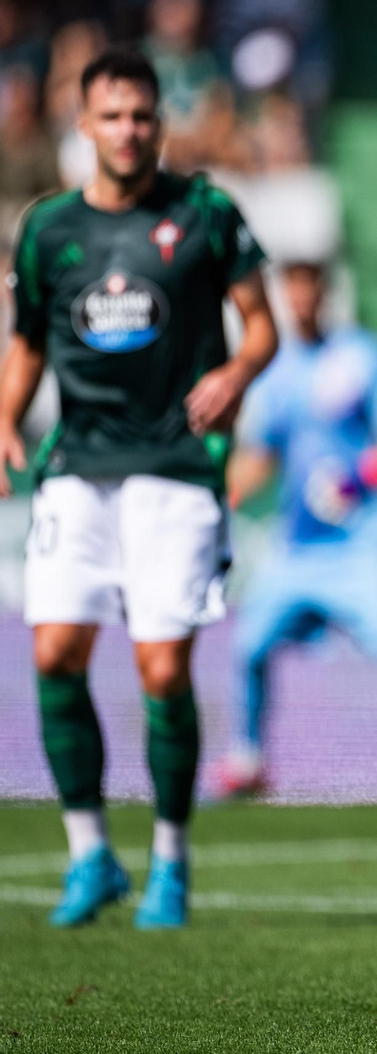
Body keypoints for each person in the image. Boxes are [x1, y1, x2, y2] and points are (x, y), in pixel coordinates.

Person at [0, 49, 277, 928]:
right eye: (112, 116)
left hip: (176, 470)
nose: (129, 131)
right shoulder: (46, 230)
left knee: (162, 669)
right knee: (53, 655)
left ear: (161, 122)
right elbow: (31, 345)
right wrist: (6, 418)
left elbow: (262, 328)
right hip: (77, 467)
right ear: (83, 124)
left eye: (143, 115)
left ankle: (170, 859)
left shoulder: (205, 213)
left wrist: (235, 373)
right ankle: (89, 855)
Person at [212, 260, 377, 810]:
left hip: (358, 546)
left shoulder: (361, 356)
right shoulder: (277, 368)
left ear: (325, 292)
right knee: (249, 647)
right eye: (292, 288)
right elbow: (263, 455)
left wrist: (360, 479)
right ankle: (248, 760)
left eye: (310, 287)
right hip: (297, 548)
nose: (301, 298)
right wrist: (223, 492)